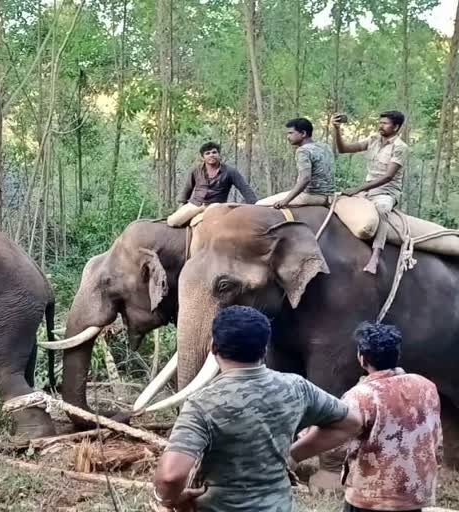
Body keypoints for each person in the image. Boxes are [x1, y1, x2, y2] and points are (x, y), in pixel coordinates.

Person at [152, 306, 361, 512]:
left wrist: (168, 499)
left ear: (214, 347)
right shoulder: (297, 388)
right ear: (264, 349)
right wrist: (294, 455)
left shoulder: (202, 403)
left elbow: (171, 476)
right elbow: (351, 423)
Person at [339, 322, 441, 512]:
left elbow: (337, 437)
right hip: (414, 493)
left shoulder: (360, 395)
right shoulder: (427, 386)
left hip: (371, 497)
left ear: (361, 358)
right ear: (397, 355)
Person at [332, 111, 409, 274]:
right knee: (338, 201)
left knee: (381, 209)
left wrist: (358, 189)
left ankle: (375, 256)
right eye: (380, 122)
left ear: (396, 127)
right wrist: (336, 129)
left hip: (386, 191)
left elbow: (388, 176)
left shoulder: (400, 147)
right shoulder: (373, 139)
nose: (381, 126)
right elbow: (343, 149)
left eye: (385, 123)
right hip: (368, 188)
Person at [167, 142, 257, 227]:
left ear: (219, 155)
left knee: (209, 225)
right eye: (207, 153)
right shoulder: (196, 170)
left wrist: (255, 206)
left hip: (215, 206)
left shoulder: (230, 171)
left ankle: (199, 220)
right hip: (196, 204)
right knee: (172, 222)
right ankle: (194, 218)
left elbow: (245, 188)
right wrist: (181, 205)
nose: (211, 155)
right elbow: (187, 188)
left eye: (214, 152)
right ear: (203, 157)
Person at [268, 117, 335, 209]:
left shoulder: (303, 150)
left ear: (303, 133)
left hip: (310, 196)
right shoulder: (325, 147)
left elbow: (305, 178)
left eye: (291, 133)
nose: (288, 137)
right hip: (330, 197)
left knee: (259, 204)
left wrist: (285, 201)